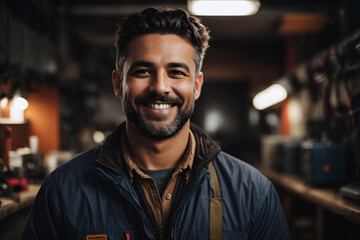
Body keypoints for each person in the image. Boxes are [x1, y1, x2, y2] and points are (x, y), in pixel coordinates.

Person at [21, 8, 291, 240]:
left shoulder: (254, 194)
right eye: (143, 71)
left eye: (176, 72)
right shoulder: (61, 191)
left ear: (196, 86)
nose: (160, 87)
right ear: (118, 83)